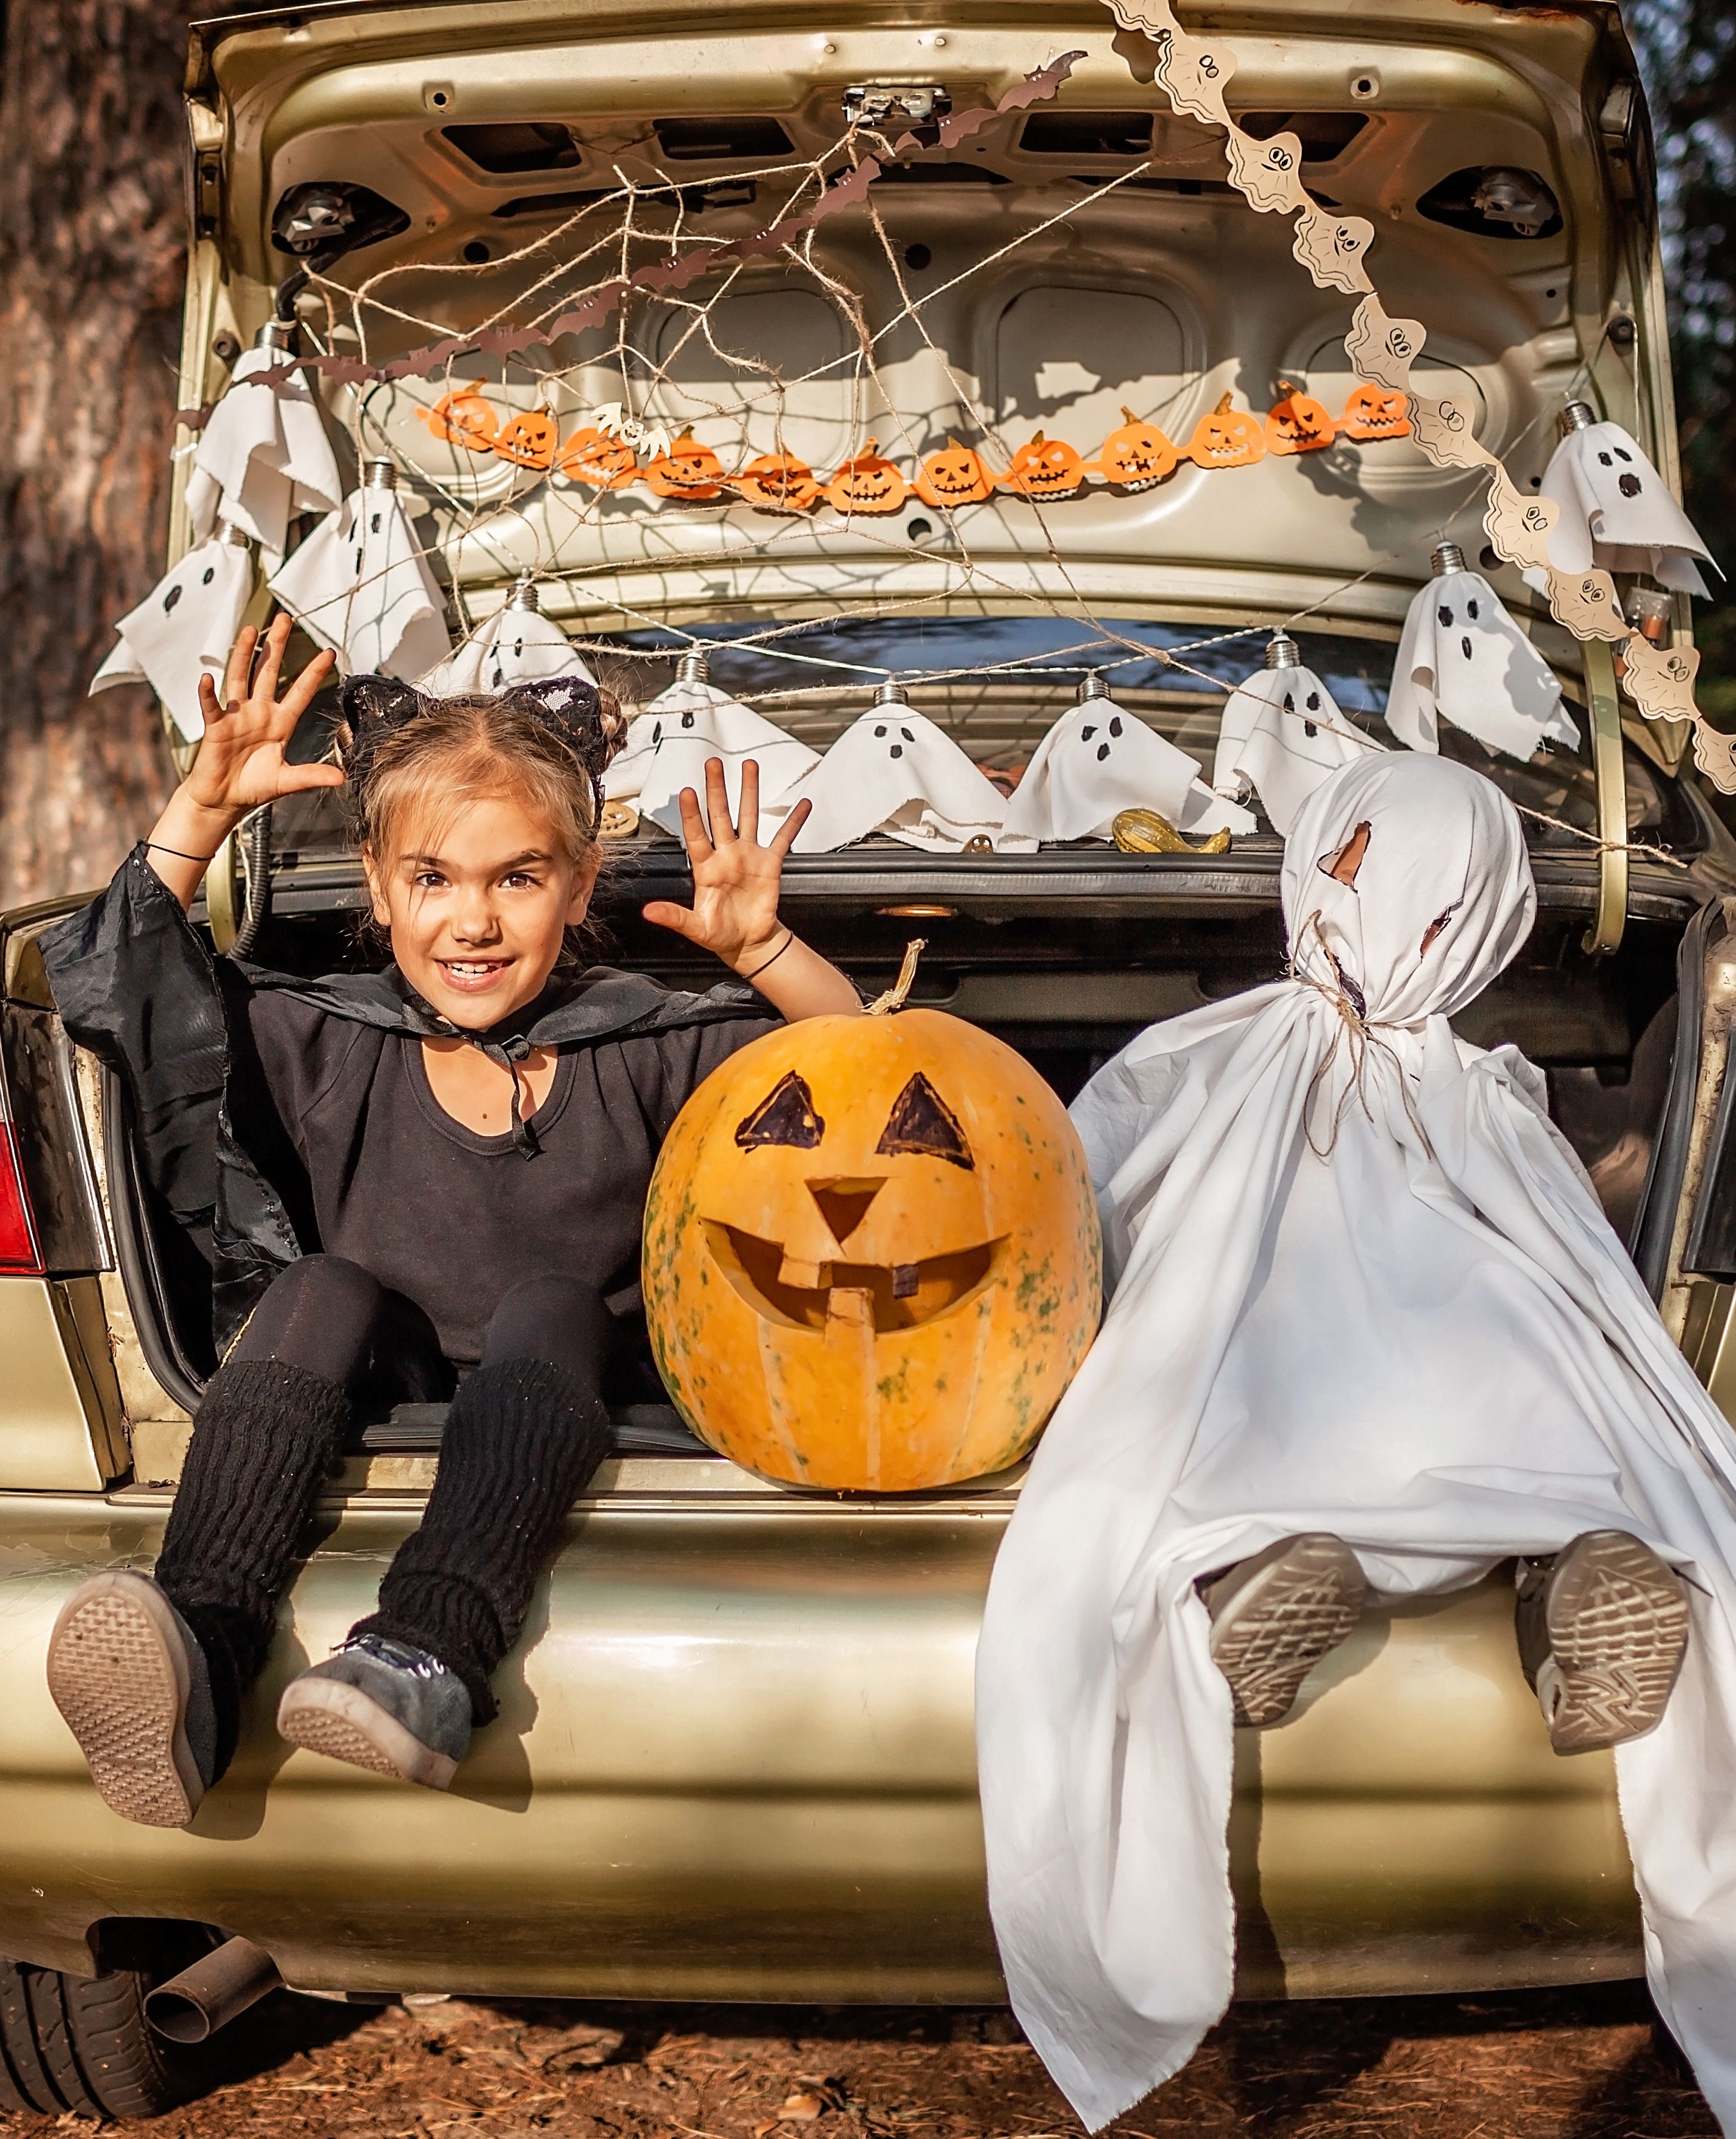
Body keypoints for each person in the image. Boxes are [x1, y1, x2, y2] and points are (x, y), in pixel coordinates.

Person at [975, 752, 1736, 2134]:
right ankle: (1573, 1579)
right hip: (1489, 1385)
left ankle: (1271, 1566)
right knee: (1554, 1442)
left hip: (1274, 1375)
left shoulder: (1202, 1051)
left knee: (1217, 1445)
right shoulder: (1489, 1089)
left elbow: (1083, 1190)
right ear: (1488, 928)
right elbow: (1570, 1265)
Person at [41, 616, 859, 1828]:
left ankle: (426, 1651)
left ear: (577, 887)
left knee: (550, 1303)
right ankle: (200, 1649)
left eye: (515, 879)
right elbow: (130, 992)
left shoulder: (646, 1040)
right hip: (383, 1387)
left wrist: (768, 951)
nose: (470, 922)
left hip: (572, 1394)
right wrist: (199, 813)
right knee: (316, 1288)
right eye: (432, 879)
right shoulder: (323, 1035)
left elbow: (860, 1091)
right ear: (378, 887)